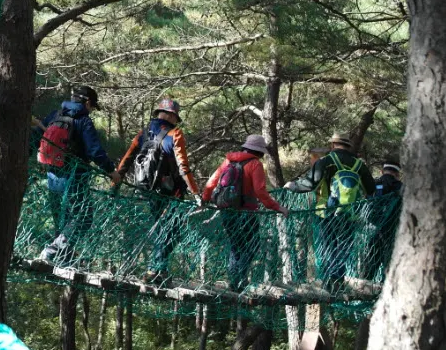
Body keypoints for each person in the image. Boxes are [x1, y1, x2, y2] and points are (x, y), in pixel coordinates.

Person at [114, 99, 199, 282]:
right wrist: (195, 192)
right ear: (170, 115)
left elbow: (128, 158)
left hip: (147, 189)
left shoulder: (144, 133)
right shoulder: (175, 133)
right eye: (176, 117)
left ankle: (159, 270)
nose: (176, 121)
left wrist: (116, 183)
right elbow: (183, 167)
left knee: (164, 228)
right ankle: (155, 269)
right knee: (173, 230)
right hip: (169, 192)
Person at [37, 86, 120, 265]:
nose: (91, 110)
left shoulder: (55, 115)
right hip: (75, 176)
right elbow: (94, 151)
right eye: (92, 106)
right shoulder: (83, 120)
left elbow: (39, 136)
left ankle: (62, 256)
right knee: (83, 217)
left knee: (63, 219)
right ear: (88, 102)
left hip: (52, 174)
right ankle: (51, 251)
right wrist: (111, 171)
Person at [284, 133, 375, 290]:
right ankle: (337, 279)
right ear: (348, 146)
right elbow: (371, 189)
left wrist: (292, 186)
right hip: (349, 213)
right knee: (344, 248)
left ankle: (327, 282)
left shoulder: (325, 161)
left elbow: (309, 184)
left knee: (327, 247)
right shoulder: (359, 165)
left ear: (333, 145)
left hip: (325, 212)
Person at [202, 134, 290, 290]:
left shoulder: (228, 161)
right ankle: (241, 278)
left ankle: (234, 282)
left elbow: (211, 183)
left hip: (227, 211)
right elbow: (260, 192)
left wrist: (205, 199)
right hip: (246, 214)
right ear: (260, 152)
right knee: (252, 245)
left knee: (236, 246)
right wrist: (278, 207)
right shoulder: (255, 164)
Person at [361, 158, 403, 280]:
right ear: (397, 173)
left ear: (382, 171)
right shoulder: (401, 187)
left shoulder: (373, 184)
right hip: (392, 230)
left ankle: (365, 286)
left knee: (370, 262)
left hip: (372, 229)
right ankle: (386, 289)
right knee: (389, 264)